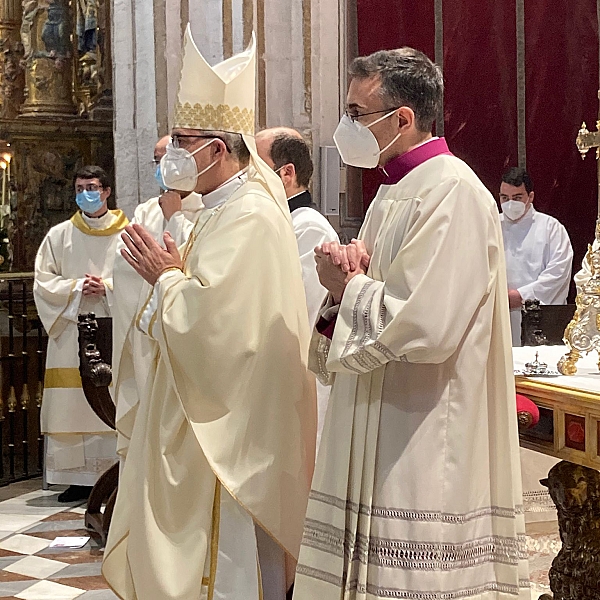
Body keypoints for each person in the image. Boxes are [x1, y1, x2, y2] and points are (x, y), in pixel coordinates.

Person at [292, 48, 529, 599]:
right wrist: (339, 292)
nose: (347, 126)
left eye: (356, 112)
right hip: (379, 409)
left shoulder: (454, 190)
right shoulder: (392, 190)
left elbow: (427, 324)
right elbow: (373, 294)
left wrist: (346, 288)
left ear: (401, 118)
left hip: (423, 420)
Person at [102, 27, 316, 600]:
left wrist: (166, 278)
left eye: (181, 140)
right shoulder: (223, 207)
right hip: (213, 413)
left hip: (230, 434)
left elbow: (221, 331)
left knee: (224, 566)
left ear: (218, 149)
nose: (172, 153)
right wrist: (175, 276)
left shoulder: (247, 214)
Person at [34, 165, 128, 502]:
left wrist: (108, 287)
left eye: (91, 187)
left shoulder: (129, 233)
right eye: (79, 188)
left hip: (114, 329)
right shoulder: (58, 236)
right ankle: (76, 478)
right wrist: (77, 288)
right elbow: (42, 282)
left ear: (106, 191)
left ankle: (115, 472)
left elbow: (143, 280)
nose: (84, 193)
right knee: (72, 403)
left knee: (112, 395)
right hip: (72, 328)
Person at [111, 135, 203, 460]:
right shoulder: (147, 211)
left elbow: (201, 271)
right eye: (157, 159)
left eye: (170, 156)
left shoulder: (210, 208)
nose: (163, 166)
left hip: (189, 345)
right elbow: (121, 267)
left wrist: (175, 222)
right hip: (147, 340)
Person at [256, 127, 338, 450]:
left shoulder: (308, 228)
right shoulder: (278, 223)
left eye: (256, 169)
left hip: (295, 386)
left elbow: (297, 316)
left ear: (286, 173)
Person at [499, 167, 573, 346]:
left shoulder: (550, 228)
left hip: (538, 318)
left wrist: (521, 296)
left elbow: (558, 273)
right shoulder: (490, 225)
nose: (510, 204)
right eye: (504, 198)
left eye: (517, 198)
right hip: (498, 313)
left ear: (530, 197)